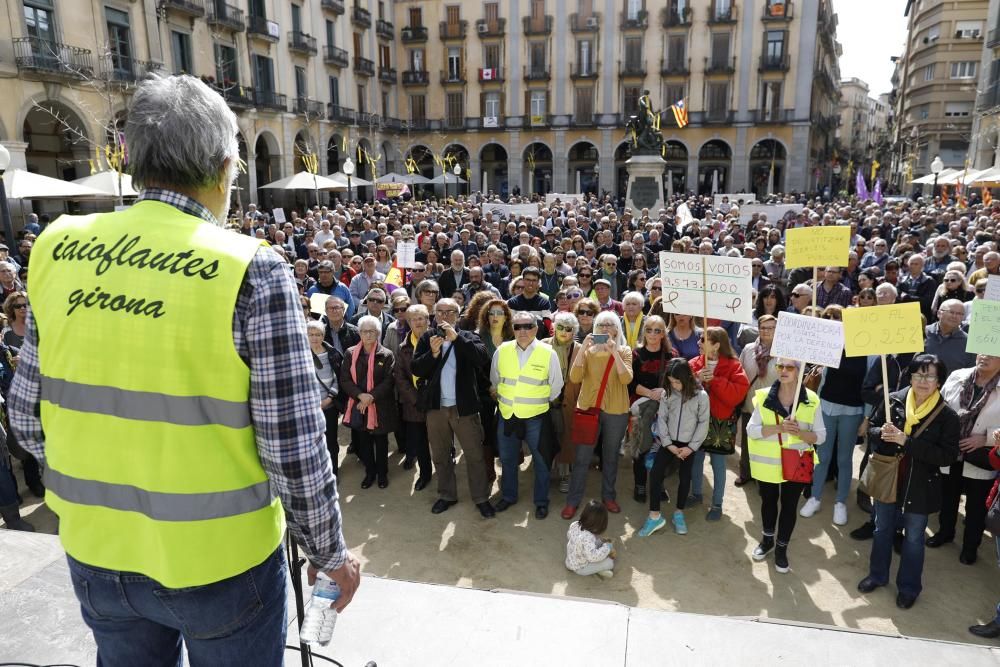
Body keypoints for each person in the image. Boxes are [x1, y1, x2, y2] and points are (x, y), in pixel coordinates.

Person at [8, 75, 359, 663]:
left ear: (133, 158)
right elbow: (292, 446)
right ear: (225, 167)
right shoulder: (252, 268)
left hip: (95, 551)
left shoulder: (55, 245)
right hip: (222, 564)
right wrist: (330, 554)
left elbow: (26, 415)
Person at [857, 354, 960, 610]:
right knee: (882, 529)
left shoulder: (947, 415)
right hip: (888, 478)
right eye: (918, 374)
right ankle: (878, 575)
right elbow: (872, 430)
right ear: (910, 376)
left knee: (914, 538)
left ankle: (909, 588)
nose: (923, 381)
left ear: (939, 381)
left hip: (921, 485)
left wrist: (907, 442)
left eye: (930, 376)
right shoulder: (893, 400)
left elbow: (947, 456)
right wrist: (880, 433)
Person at [411, 299, 495, 518]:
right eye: (440, 312)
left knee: (475, 454)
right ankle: (447, 494)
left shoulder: (467, 336)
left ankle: (481, 497)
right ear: (434, 315)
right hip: (436, 408)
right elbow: (417, 368)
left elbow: (481, 358)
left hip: (464, 408)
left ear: (458, 316)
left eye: (450, 312)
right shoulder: (428, 338)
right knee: (440, 454)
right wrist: (433, 354)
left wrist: (457, 340)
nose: (445, 316)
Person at [747, 359, 825, 574]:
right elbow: (751, 430)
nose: (783, 371)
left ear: (799, 371)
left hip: (797, 463)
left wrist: (798, 432)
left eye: (789, 367)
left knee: (789, 506)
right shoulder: (763, 396)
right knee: (768, 502)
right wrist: (780, 428)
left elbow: (821, 436)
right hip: (768, 464)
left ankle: (782, 549)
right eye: (780, 366)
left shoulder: (812, 400)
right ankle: (767, 541)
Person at [490, 311, 564, 519]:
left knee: (541, 460)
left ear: (535, 328)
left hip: (536, 417)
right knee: (508, 459)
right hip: (508, 414)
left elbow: (556, 386)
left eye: (527, 326)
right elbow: (495, 380)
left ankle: (541, 501)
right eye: (517, 326)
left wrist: (534, 400)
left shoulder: (548, 352)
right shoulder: (502, 350)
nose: (522, 330)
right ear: (512, 329)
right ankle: (509, 496)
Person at [561, 311, 634, 519]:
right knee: (582, 457)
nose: (605, 329)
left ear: (617, 329)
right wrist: (583, 346)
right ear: (595, 329)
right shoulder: (587, 351)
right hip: (588, 409)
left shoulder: (625, 350)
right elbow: (574, 377)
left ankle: (609, 496)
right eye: (601, 325)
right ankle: (573, 501)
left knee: (610, 456)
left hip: (616, 410)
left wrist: (614, 353)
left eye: (610, 325)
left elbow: (626, 379)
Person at [932, 353, 1000, 564]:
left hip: (980, 457)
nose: (985, 357)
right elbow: (939, 405)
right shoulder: (958, 376)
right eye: (982, 351)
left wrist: (986, 438)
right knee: (948, 496)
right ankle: (945, 532)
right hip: (951, 450)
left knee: (976, 506)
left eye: (993, 354)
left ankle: (970, 547)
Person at [638, 358, 710, 537]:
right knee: (655, 473)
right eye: (671, 382)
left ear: (687, 378)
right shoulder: (667, 394)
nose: (675, 385)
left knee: (685, 478)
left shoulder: (701, 396)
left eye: (677, 382)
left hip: (689, 446)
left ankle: (679, 513)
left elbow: (703, 423)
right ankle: (654, 515)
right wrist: (668, 444)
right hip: (668, 444)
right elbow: (661, 418)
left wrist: (691, 448)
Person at [799, 339, 868, 527]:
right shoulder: (830, 346)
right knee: (822, 455)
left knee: (844, 459)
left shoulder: (870, 354)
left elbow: (869, 387)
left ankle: (840, 503)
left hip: (852, 413)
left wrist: (867, 418)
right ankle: (815, 498)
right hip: (826, 408)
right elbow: (821, 380)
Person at [688, 327, 750, 521]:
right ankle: (696, 493)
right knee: (696, 459)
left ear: (716, 345)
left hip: (721, 422)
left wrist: (715, 380)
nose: (698, 343)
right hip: (697, 420)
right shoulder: (693, 363)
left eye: (703, 340)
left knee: (718, 463)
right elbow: (682, 390)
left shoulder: (733, 366)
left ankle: (717, 504)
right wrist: (697, 379)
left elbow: (735, 395)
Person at [340, 315, 397, 489]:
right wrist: (360, 396)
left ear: (378, 333)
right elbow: (345, 379)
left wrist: (370, 396)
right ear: (359, 333)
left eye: (372, 331)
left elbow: (389, 380)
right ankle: (370, 473)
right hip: (359, 405)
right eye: (364, 331)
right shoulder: (350, 353)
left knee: (381, 442)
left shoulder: (386, 354)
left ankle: (382, 474)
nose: (368, 335)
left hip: (380, 405)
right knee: (363, 441)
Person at [628, 315, 673, 503]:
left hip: (664, 409)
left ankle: (658, 484)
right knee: (640, 447)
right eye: (649, 330)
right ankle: (640, 484)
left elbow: (677, 382)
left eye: (658, 330)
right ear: (643, 332)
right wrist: (649, 393)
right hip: (640, 408)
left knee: (661, 448)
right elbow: (629, 383)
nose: (653, 334)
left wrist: (663, 390)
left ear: (663, 334)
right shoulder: (636, 354)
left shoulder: (671, 355)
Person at [736, 314, 780, 486]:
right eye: (763, 327)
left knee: (768, 442)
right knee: (747, 440)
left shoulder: (783, 352)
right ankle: (746, 472)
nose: (766, 331)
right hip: (750, 402)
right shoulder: (747, 349)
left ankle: (763, 476)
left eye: (771, 328)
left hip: (772, 404)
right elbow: (740, 373)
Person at [394, 304, 433, 491]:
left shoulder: (438, 340)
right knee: (420, 442)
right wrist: (416, 399)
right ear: (408, 322)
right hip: (414, 404)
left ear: (428, 320)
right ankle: (425, 475)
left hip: (436, 402)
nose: (417, 322)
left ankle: (445, 473)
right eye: (413, 319)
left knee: (443, 442)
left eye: (421, 318)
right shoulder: (404, 347)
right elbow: (400, 378)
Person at [545, 312, 582, 494]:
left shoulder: (580, 349)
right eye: (560, 327)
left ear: (574, 331)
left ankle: (566, 475)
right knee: (547, 437)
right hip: (546, 401)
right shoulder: (543, 345)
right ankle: (548, 472)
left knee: (567, 439)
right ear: (554, 328)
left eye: (568, 329)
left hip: (569, 401)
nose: (564, 332)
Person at [308, 320, 342, 477]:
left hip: (329, 406)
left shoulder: (333, 354)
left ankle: (333, 471)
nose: (314, 338)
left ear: (323, 335)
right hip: (309, 409)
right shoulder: (302, 355)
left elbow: (338, 378)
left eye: (318, 334)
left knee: (331, 441)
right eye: (311, 334)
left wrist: (329, 399)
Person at [564, 500, 616, 579]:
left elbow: (570, 536)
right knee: (609, 563)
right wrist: (607, 548)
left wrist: (600, 542)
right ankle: (599, 570)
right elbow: (593, 557)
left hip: (570, 560)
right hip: (580, 568)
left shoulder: (575, 524)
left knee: (596, 546)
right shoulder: (588, 537)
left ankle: (596, 569)